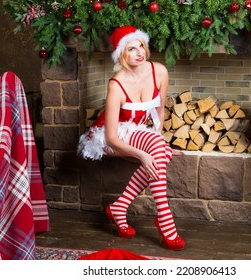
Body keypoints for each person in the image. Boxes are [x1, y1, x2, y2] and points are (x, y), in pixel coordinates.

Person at [78, 25, 185, 250]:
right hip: (109, 135)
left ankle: (119, 207)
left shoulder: (160, 72)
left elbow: (159, 111)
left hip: (136, 130)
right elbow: (110, 137)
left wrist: (157, 143)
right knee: (158, 153)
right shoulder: (116, 84)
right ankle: (166, 221)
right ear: (121, 55)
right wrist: (144, 154)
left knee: (159, 150)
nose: (139, 53)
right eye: (131, 49)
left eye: (141, 46)